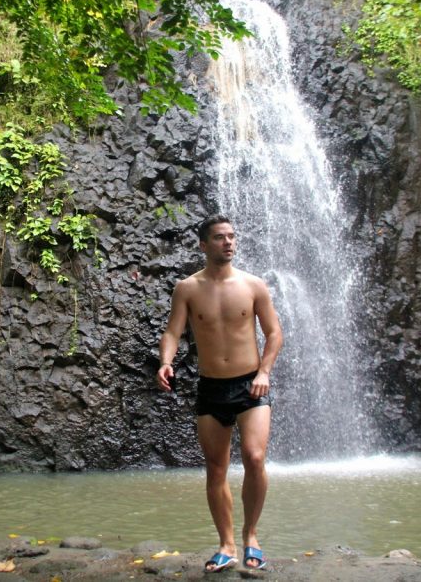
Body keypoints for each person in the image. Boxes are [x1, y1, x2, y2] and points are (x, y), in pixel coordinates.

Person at [157, 214, 283, 573]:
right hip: (211, 387)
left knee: (255, 457)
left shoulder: (254, 285)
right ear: (203, 244)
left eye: (231, 236)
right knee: (216, 468)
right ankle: (226, 544)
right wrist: (166, 362)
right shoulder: (187, 288)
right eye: (219, 237)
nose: (228, 242)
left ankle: (251, 537)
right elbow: (172, 332)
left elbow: (274, 333)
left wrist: (264, 372)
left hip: (251, 385)